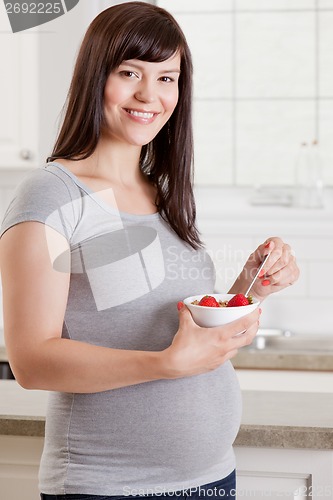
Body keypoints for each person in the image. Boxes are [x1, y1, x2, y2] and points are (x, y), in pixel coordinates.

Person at [0, 2, 299, 499]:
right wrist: (165, 364)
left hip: (212, 478)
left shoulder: (163, 192)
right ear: (95, 77)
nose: (149, 95)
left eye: (167, 78)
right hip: (110, 486)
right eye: (129, 72)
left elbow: (169, 323)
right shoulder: (52, 195)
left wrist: (250, 285)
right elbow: (31, 361)